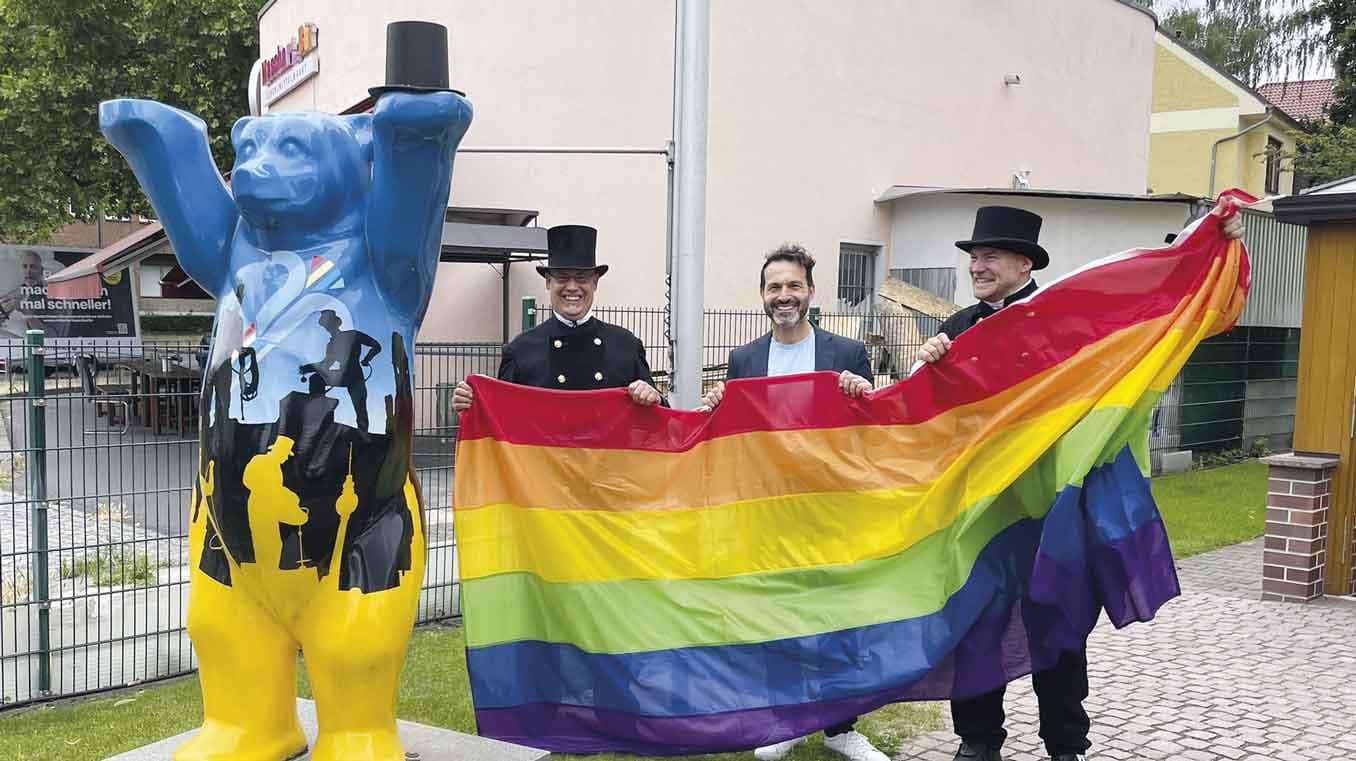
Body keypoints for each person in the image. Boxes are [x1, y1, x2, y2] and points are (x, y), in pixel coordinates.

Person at [914, 203, 1245, 761]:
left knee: (1058, 620)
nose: (977, 265)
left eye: (989, 255)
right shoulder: (957, 329)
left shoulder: (1066, 319)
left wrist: (1213, 246)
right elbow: (930, 416)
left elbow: (1157, 310)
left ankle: (1066, 745)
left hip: (1051, 507)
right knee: (975, 622)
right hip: (982, 512)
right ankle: (977, 739)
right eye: (973, 256)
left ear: (1023, 262)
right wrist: (928, 365)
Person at [697, 243, 883, 761]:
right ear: (762, 295)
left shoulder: (846, 355)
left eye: (793, 286)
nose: (784, 296)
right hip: (767, 512)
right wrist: (716, 404)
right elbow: (730, 438)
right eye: (774, 287)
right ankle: (783, 720)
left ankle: (841, 727)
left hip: (831, 511)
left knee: (836, 619)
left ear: (810, 292)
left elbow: (872, 429)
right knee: (774, 615)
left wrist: (862, 393)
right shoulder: (745, 360)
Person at [452, 224, 661, 411]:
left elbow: (659, 422)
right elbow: (500, 419)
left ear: (595, 282)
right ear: (548, 282)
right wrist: (473, 403)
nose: (572, 287)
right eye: (562, 277)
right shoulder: (520, 352)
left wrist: (654, 397)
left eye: (581, 277)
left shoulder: (626, 347)